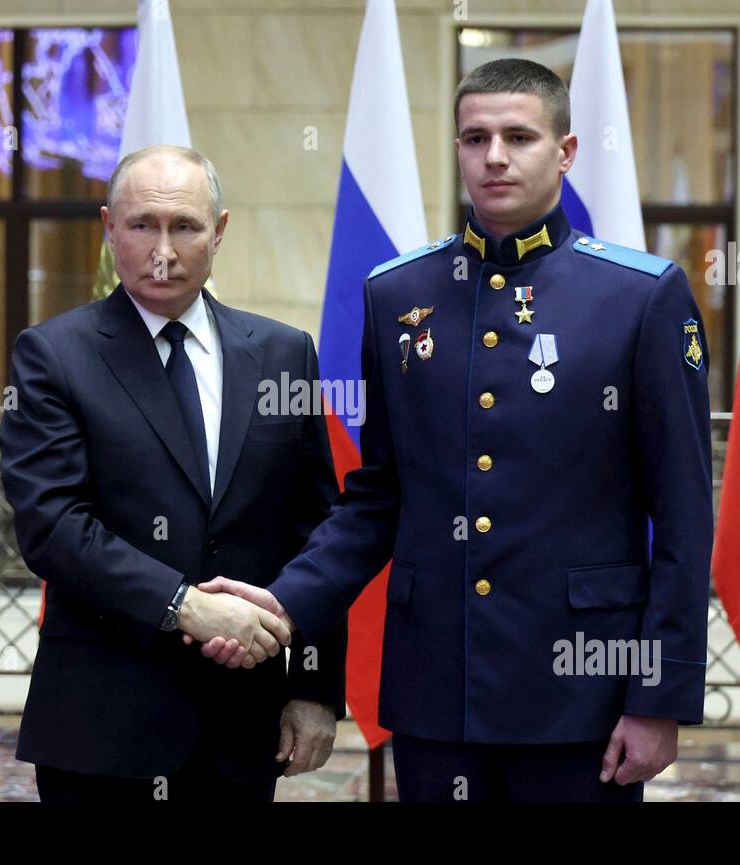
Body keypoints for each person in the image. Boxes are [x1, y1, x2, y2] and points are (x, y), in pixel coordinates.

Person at [197, 58, 713, 802]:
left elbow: (684, 515)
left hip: (580, 695)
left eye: (518, 136)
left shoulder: (639, 298)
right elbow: (379, 497)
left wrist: (657, 698)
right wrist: (284, 600)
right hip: (440, 688)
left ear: (564, 152)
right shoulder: (398, 292)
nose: (494, 156)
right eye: (475, 137)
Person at [0, 144, 346, 803]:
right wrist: (184, 606)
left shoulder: (283, 355)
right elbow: (52, 526)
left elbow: (318, 533)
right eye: (141, 226)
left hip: (244, 728)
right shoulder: (53, 356)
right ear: (108, 228)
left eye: (184, 226)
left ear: (219, 231)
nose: (163, 249)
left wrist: (313, 686)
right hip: (104, 727)